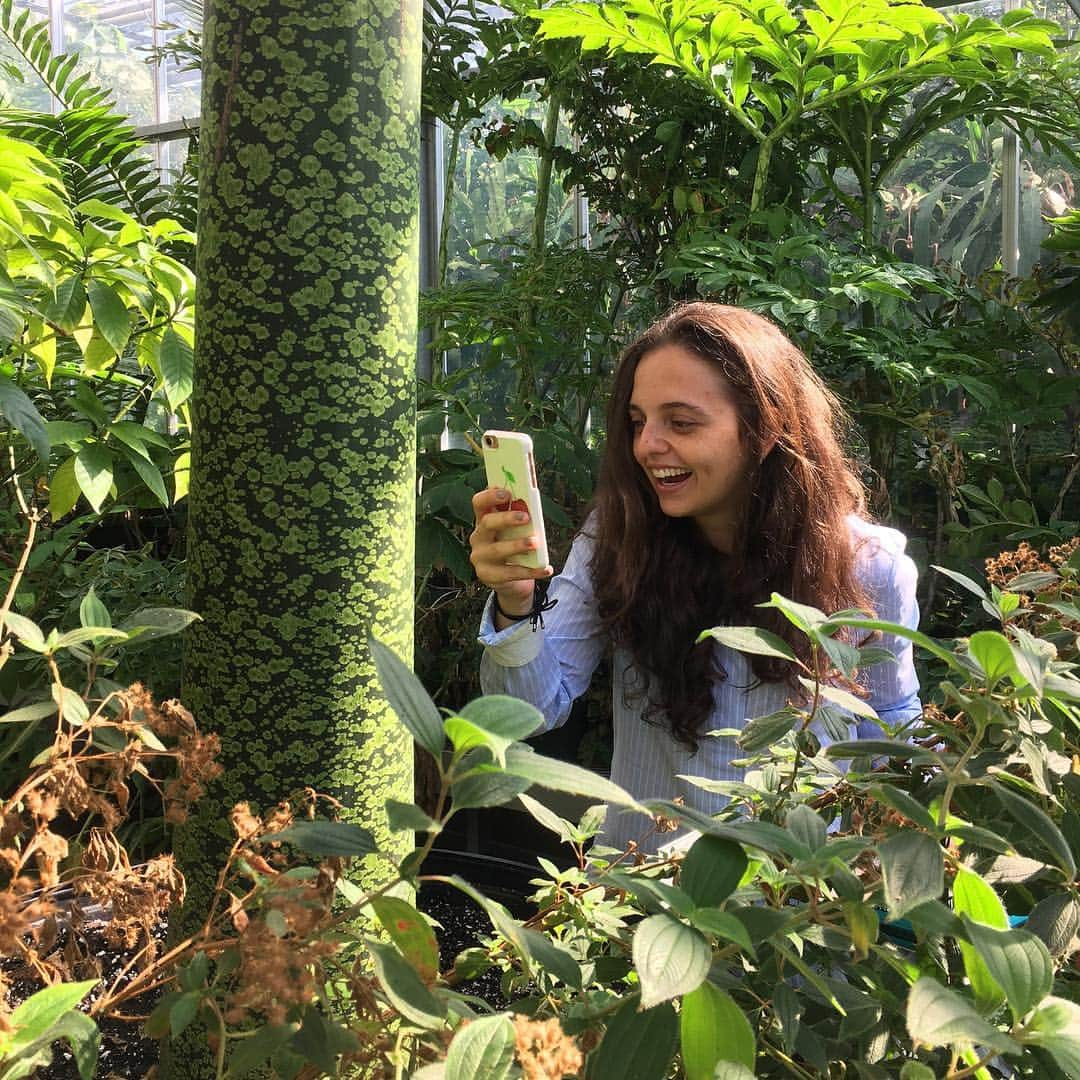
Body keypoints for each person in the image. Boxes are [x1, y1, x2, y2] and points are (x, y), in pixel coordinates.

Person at [469, 302, 921, 856]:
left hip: (791, 907)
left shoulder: (868, 567)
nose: (646, 446)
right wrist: (515, 602)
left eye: (681, 422)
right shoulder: (617, 541)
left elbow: (889, 736)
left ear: (766, 427)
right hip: (636, 905)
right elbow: (529, 713)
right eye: (638, 422)